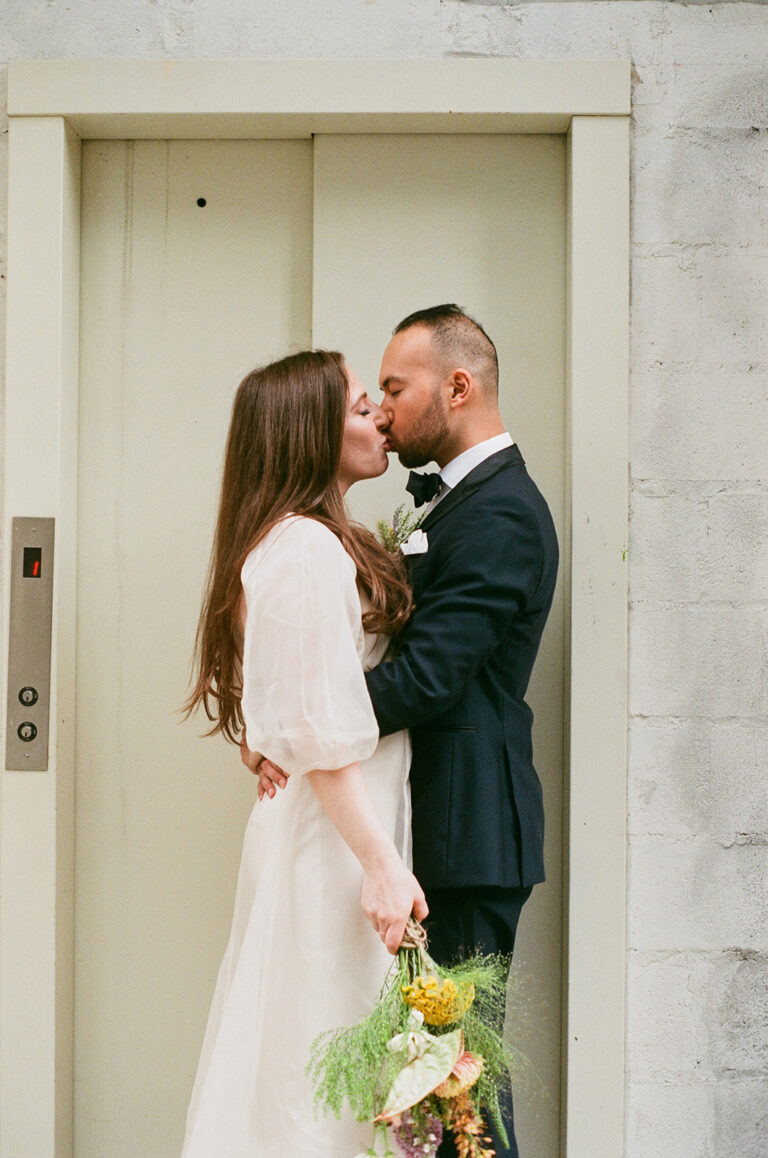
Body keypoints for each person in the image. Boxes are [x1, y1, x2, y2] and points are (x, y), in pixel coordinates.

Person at [251, 305, 559, 1158]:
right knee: (425, 1098)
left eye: (395, 388)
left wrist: (300, 725)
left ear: (457, 388)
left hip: (466, 830)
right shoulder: (453, 505)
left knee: (460, 1097)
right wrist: (293, 715)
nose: (382, 411)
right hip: (427, 827)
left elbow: (429, 677)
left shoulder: (502, 512)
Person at [181, 349, 428, 1158]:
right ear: (309, 434)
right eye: (360, 407)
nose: (380, 415)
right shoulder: (304, 550)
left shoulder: (306, 542)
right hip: (334, 846)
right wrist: (382, 868)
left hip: (338, 832)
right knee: (314, 1056)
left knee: (318, 1048)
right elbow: (316, 732)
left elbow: (284, 706)